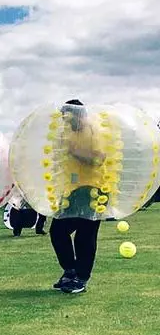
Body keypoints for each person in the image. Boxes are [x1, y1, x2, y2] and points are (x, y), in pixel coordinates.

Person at [50, 100, 106, 294]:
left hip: (93, 189)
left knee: (85, 235)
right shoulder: (67, 134)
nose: (65, 121)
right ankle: (70, 271)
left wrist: (74, 152)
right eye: (63, 118)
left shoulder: (94, 131)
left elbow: (99, 159)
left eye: (68, 117)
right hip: (72, 190)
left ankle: (81, 278)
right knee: (58, 231)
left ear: (79, 115)